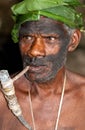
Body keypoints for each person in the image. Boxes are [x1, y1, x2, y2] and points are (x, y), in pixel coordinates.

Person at [0, 0, 85, 130]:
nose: (34, 51)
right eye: (27, 37)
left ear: (73, 40)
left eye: (49, 38)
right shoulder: (2, 99)